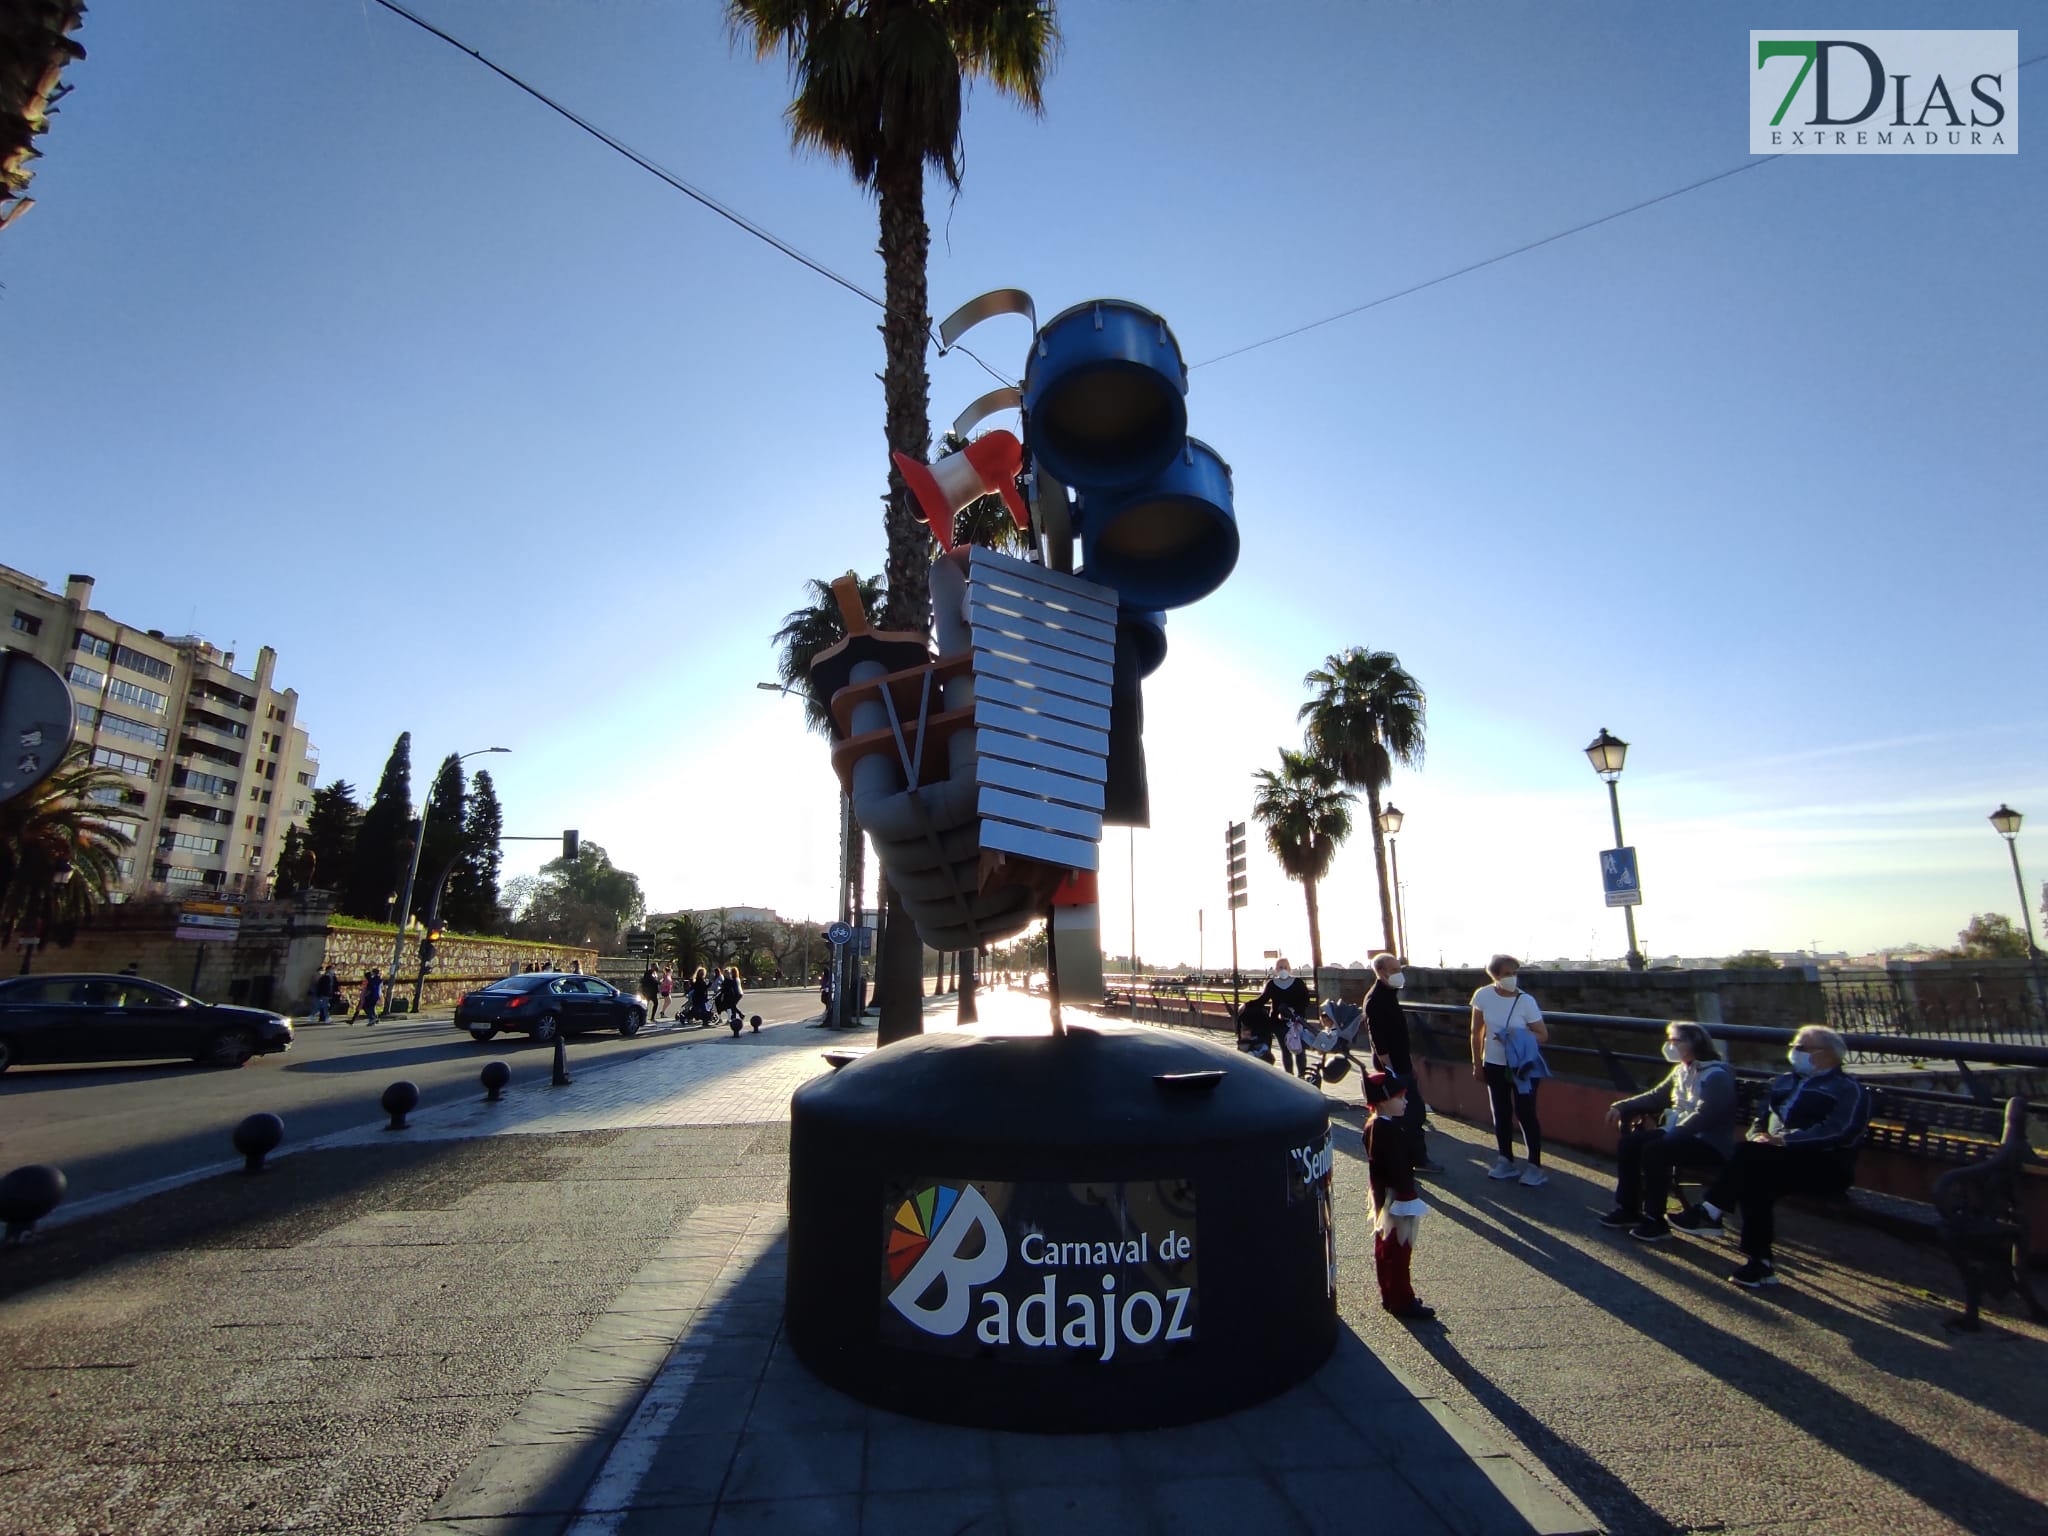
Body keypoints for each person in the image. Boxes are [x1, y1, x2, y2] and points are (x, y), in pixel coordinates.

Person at [1672, 1025, 1870, 1288]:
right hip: (1774, 1158)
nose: (1794, 1053)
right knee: (1756, 1178)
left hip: (1825, 1164)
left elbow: (1841, 1131)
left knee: (1750, 1161)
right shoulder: (1785, 1081)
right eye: (1793, 1047)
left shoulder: (1848, 1089)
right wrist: (1758, 1136)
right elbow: (1760, 1120)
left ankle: (1710, 1212)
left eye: (1801, 1048)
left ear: (1827, 1054)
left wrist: (1784, 1140)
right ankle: (1760, 1263)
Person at [1599, 1022, 1738, 1241]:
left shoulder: (1716, 1076)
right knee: (1631, 1144)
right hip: (1678, 1134)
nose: (1669, 1045)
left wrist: (1671, 1135)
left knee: (1656, 1150)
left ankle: (1655, 1220)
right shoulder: (1680, 1071)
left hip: (1707, 1142)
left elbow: (1704, 1116)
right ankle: (1629, 1208)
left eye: (1675, 1041)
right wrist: (1622, 1106)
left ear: (1694, 1043)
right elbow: (1656, 1096)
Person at [1469, 955, 1550, 1186]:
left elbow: (1542, 1034)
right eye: (1506, 974)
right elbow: (1476, 1032)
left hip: (1522, 1066)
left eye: (1514, 973)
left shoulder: (1526, 1001)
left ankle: (1535, 1165)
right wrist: (1477, 1063)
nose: (1511, 978)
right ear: (1494, 976)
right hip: (1494, 1063)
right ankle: (1505, 1160)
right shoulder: (1482, 996)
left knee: (1526, 1113)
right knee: (1501, 1112)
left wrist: (1515, 1036)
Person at [1363, 1070, 1435, 1322]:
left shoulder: (1374, 1125)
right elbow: (1397, 1166)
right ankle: (1402, 1299)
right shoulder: (1388, 1130)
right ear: (1383, 1100)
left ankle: (1391, 1295)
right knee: (1399, 1250)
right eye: (1400, 1097)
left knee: (1386, 1248)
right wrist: (1407, 1195)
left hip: (1385, 1195)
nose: (1405, 1102)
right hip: (1398, 1196)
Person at [1364, 952, 1441, 1173]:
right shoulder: (1376, 999)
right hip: (1394, 1067)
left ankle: (1408, 1159)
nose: (1399, 974)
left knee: (1408, 1114)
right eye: (1395, 970)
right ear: (1382, 972)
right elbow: (1378, 1041)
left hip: (1401, 1063)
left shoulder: (1389, 994)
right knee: (1410, 1113)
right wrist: (1390, 1070)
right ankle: (1415, 1160)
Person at [1255, 959, 1315, 1078]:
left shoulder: (1298, 983)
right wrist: (1247, 1005)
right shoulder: (1272, 984)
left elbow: (1305, 1000)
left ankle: (1302, 1076)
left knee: (1299, 1050)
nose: (1283, 970)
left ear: (1289, 968)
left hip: (1297, 1022)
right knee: (1285, 1050)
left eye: (1285, 967)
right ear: (1276, 970)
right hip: (1279, 1022)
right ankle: (1290, 1076)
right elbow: (1263, 1000)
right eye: (1280, 967)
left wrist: (1295, 1010)